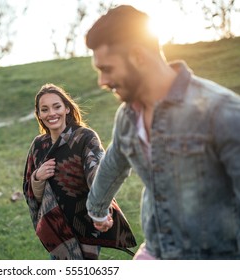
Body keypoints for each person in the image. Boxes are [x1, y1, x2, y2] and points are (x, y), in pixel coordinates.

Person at [85, 5, 240, 260]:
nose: (102, 81)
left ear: (138, 57)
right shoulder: (128, 116)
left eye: (107, 69)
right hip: (156, 250)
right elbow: (113, 163)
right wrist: (97, 210)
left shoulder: (221, 112)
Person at [22, 83, 136, 260]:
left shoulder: (84, 137)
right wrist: (38, 177)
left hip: (85, 223)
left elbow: (97, 174)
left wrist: (101, 210)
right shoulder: (38, 145)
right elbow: (30, 193)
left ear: (67, 108)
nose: (51, 113)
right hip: (56, 228)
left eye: (57, 106)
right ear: (39, 114)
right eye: (44, 109)